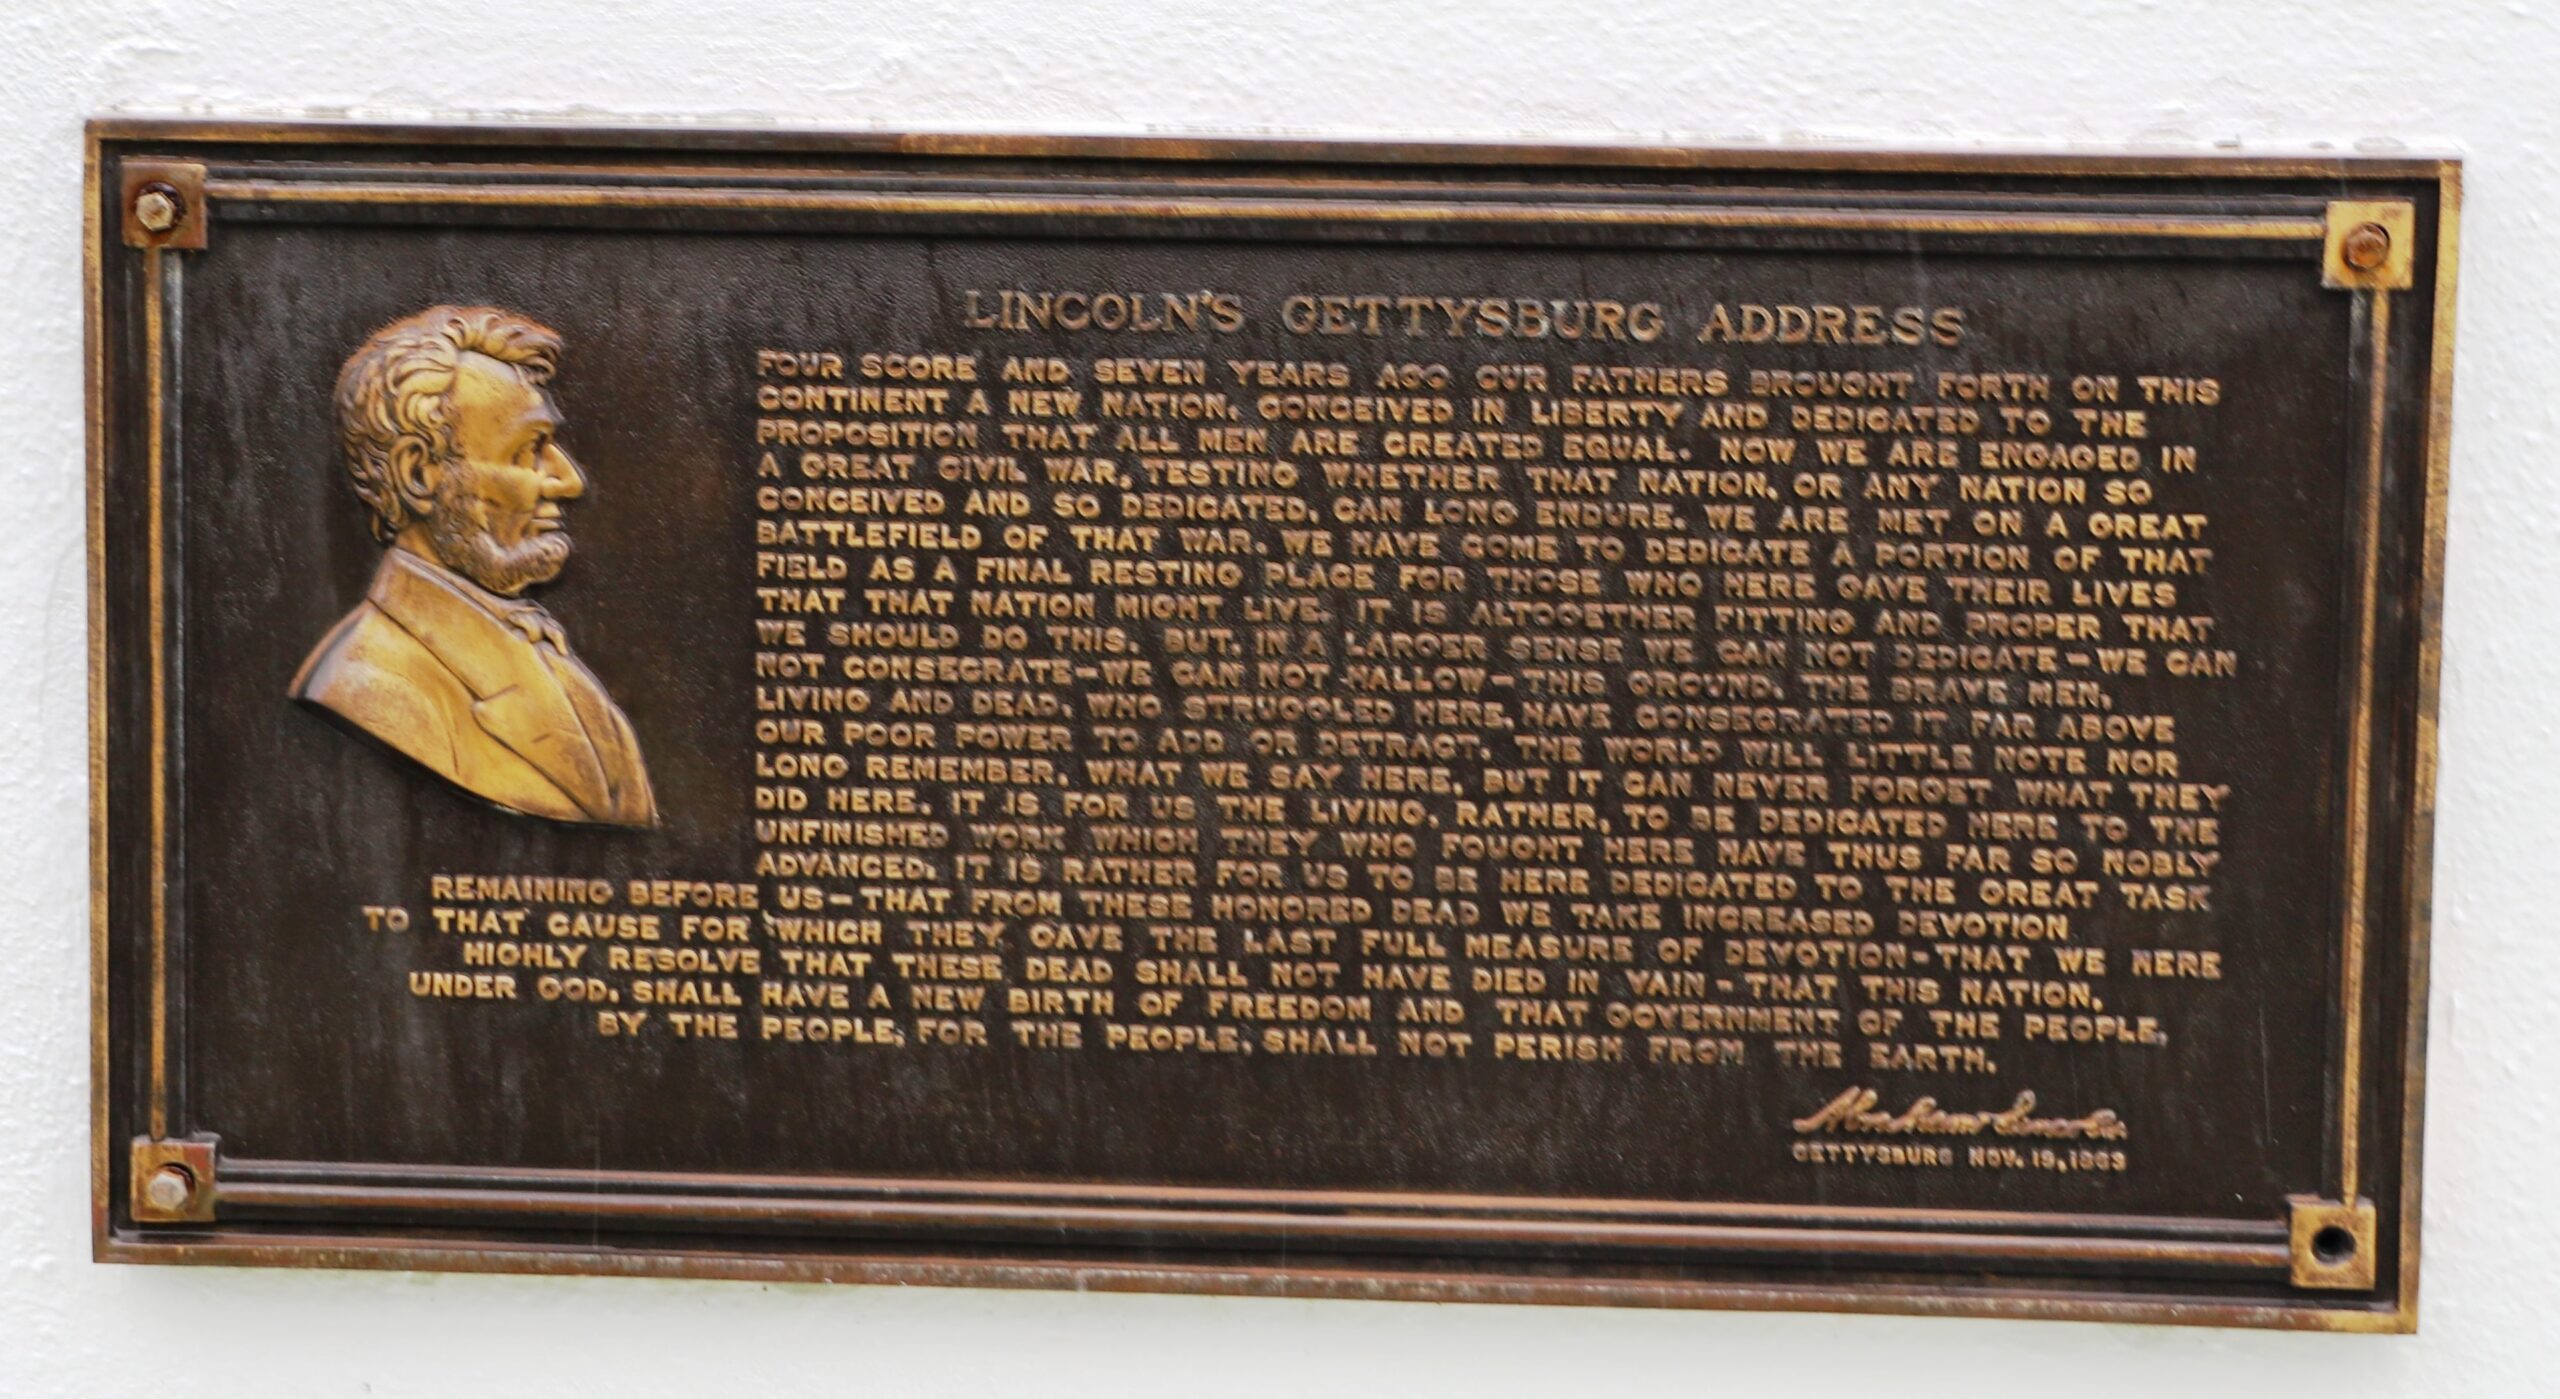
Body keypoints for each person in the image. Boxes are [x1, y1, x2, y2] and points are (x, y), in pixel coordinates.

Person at [291, 305, 656, 827]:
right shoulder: (372, 687)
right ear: (419, 473)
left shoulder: (546, 653)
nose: (569, 480)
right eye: (529, 450)